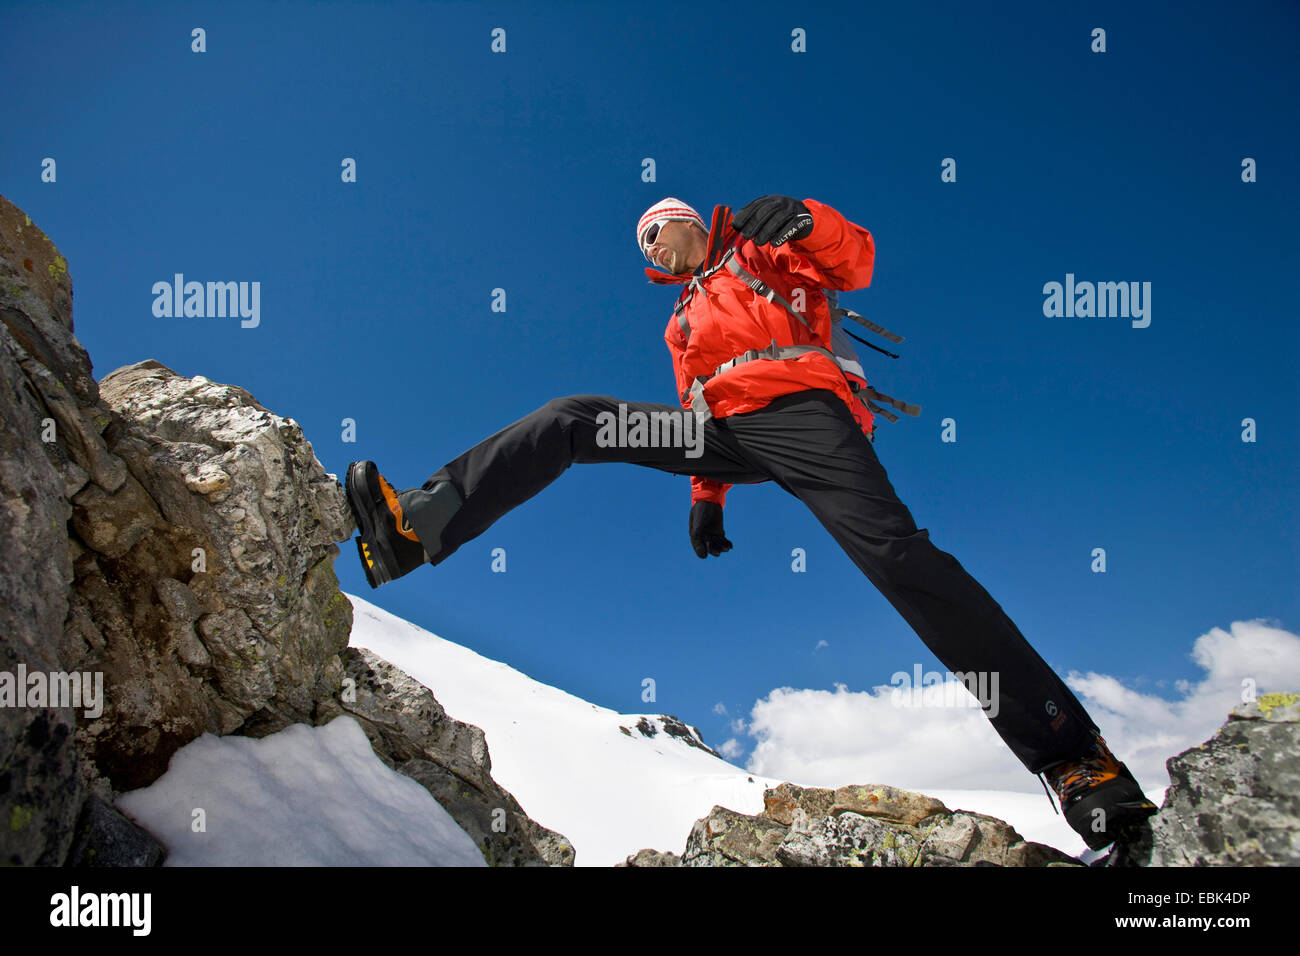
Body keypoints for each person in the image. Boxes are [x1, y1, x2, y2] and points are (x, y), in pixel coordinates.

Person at [344, 194, 1158, 854]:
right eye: (650, 243)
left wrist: (807, 216)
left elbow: (856, 260)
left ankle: (1072, 756)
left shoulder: (762, 254)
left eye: (670, 227)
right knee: (572, 419)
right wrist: (707, 496)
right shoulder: (680, 325)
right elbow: (693, 404)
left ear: (698, 222)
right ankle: (415, 527)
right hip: (724, 433)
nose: (664, 244)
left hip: (803, 409)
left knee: (897, 557)